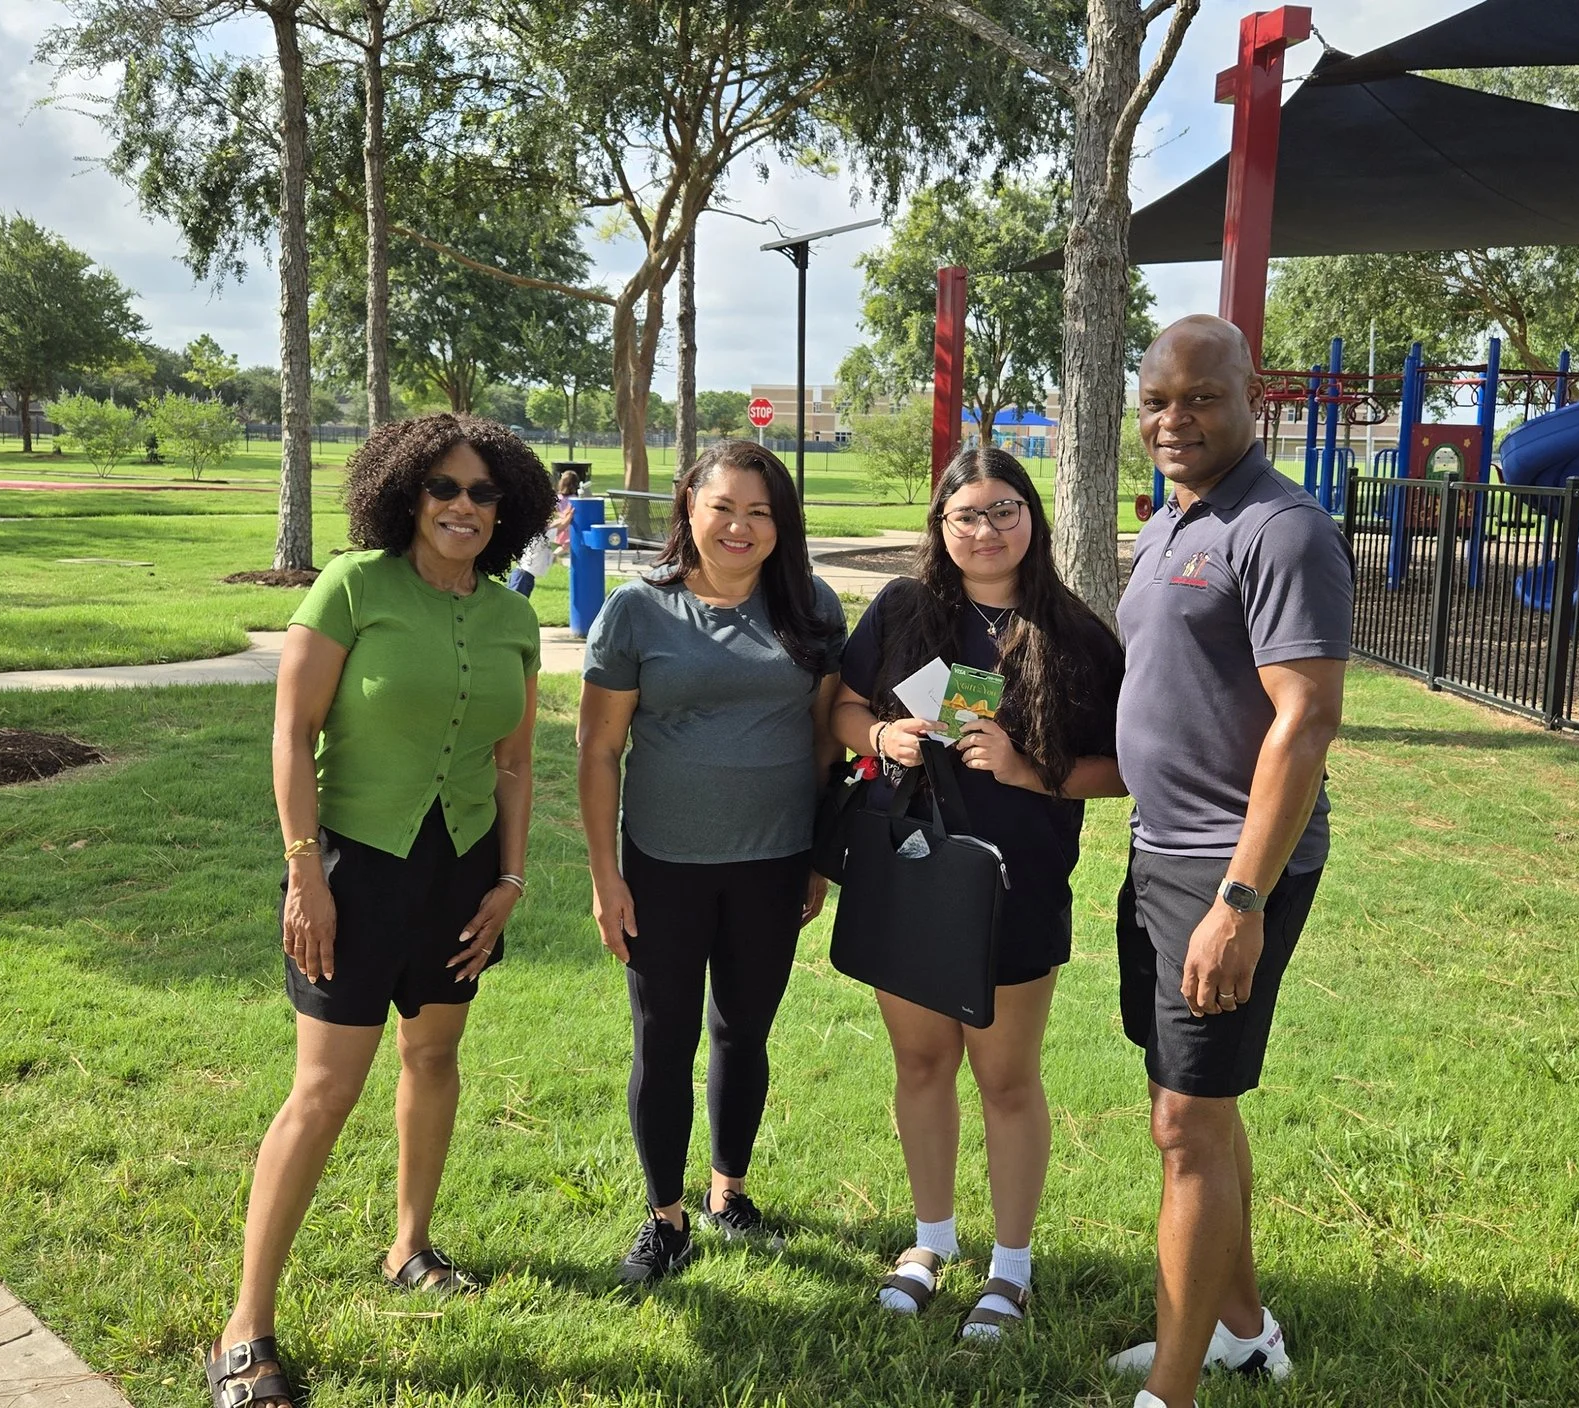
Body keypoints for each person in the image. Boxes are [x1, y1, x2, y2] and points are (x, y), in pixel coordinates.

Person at [206, 414, 557, 1408]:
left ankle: (410, 1246)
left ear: (508, 509)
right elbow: (291, 731)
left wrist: (510, 881)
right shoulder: (353, 586)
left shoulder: (512, 616)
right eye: (444, 487)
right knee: (323, 1090)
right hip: (353, 871)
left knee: (434, 1057)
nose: (463, 506)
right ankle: (244, 1328)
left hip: (461, 876)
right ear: (407, 492)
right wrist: (304, 873)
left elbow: (514, 763)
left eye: (483, 492)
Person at [1103, 317, 1350, 1408]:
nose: (1174, 419)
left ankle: (1172, 1389)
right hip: (1160, 854)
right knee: (1196, 1103)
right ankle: (1243, 1333)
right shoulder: (1171, 521)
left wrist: (1239, 901)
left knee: (1185, 1124)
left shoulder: (1281, 529)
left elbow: (1306, 720)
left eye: (1201, 398)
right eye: (1156, 401)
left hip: (1229, 868)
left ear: (1252, 398)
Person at [831, 445, 1125, 1340]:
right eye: (967, 514)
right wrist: (883, 736)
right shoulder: (903, 609)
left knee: (1005, 1077)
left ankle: (1010, 1267)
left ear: (1032, 517)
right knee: (921, 1064)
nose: (986, 530)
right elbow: (840, 709)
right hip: (910, 869)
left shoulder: (1076, 636)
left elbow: (1125, 769)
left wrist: (1031, 771)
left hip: (1015, 883)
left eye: (1004, 510)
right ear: (941, 525)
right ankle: (930, 1242)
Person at [576, 439, 848, 1286]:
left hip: (776, 858)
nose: (740, 526)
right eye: (723, 506)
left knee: (744, 1030)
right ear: (688, 507)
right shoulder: (637, 610)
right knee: (663, 1038)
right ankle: (665, 1218)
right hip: (663, 862)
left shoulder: (811, 607)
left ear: (782, 524)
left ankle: (729, 1192)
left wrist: (817, 855)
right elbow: (598, 750)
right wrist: (605, 877)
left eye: (760, 512)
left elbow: (823, 739)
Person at [507, 468, 579, 595]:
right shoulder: (542, 536)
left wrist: (566, 516)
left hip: (523, 574)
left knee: (517, 600)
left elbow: (553, 525)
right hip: (523, 576)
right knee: (516, 601)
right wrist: (569, 516)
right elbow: (561, 526)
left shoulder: (539, 531)